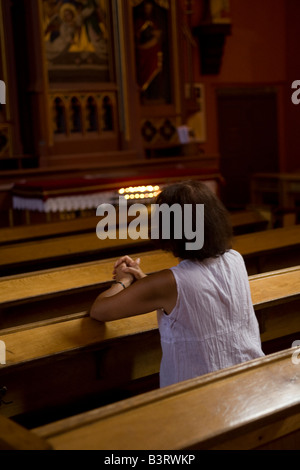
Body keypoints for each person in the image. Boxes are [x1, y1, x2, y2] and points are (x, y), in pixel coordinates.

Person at [89, 180, 265, 387]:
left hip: (200, 397)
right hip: (250, 379)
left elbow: (100, 310)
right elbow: (195, 296)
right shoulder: (234, 259)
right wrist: (147, 282)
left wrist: (122, 281)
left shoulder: (168, 283)